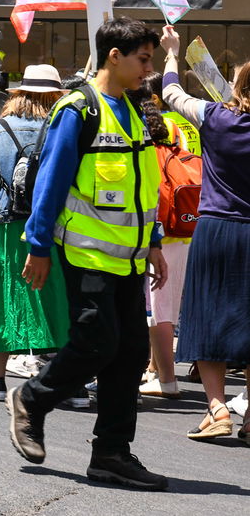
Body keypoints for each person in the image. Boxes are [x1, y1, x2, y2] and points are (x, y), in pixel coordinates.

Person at [7, 17, 169, 491]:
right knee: (96, 343)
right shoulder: (79, 109)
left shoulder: (135, 109)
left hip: (130, 258)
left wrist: (155, 241)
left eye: (152, 59)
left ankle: (112, 454)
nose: (148, 68)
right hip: (87, 254)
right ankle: (31, 401)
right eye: (143, 58)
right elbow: (50, 183)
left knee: (131, 352)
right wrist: (38, 246)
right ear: (114, 56)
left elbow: (146, 186)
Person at [158, 26, 250, 444]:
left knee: (207, 317)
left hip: (214, 231)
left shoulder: (216, 119)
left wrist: (173, 53)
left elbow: (171, 92)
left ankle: (217, 409)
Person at [0, 64, 68, 399]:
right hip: (51, 225)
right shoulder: (62, 129)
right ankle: (73, 383)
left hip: (4, 225)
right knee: (55, 301)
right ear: (55, 96)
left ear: (18, 95)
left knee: (0, 299)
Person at [125, 77, 191, 401]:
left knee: (156, 309)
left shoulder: (135, 127)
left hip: (155, 227)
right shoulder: (177, 126)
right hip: (184, 220)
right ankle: (155, 370)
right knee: (164, 303)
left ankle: (167, 379)